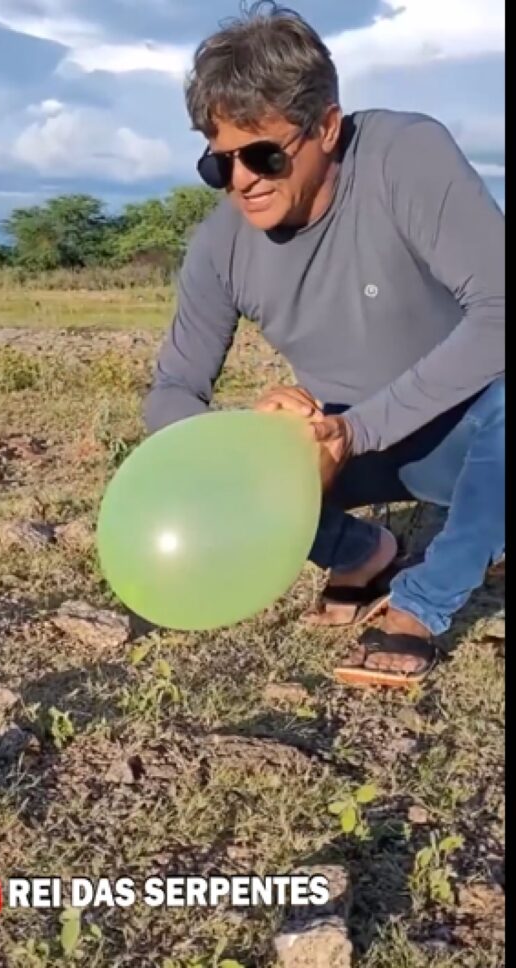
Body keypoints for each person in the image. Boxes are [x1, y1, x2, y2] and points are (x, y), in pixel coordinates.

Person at [144, 2, 504, 688]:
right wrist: (245, 439)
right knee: (177, 450)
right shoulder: (220, 247)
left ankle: (420, 607)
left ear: (327, 128)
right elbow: (171, 393)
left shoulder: (404, 156)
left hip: (468, 435)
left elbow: (501, 310)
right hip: (340, 457)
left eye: (263, 154)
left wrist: (356, 429)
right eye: (219, 163)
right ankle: (361, 550)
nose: (242, 179)